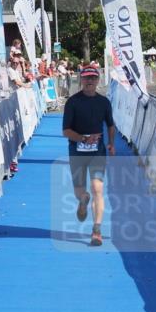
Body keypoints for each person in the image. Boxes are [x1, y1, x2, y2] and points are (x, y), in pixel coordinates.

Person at [62, 66, 115, 247]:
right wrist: (83, 138)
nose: (90, 81)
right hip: (77, 152)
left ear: (98, 80)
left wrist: (111, 143)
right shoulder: (72, 102)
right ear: (81, 80)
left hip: (98, 153)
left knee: (98, 190)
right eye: (86, 78)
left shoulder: (104, 102)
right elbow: (66, 131)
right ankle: (83, 200)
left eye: (93, 77)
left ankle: (97, 230)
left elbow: (110, 125)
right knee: (80, 190)